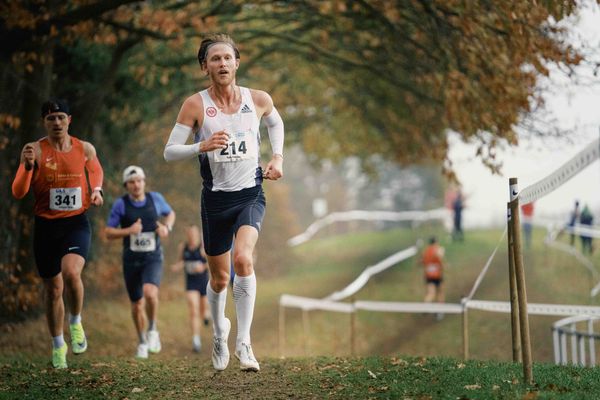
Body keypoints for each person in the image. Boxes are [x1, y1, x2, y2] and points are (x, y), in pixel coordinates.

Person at [163, 33, 284, 372]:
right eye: (214, 59)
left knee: (243, 260)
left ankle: (244, 343)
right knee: (218, 279)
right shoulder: (195, 105)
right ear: (205, 67)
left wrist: (278, 157)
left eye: (227, 58)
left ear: (237, 63)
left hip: (251, 193)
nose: (222, 64)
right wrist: (199, 147)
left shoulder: (257, 99)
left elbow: (275, 122)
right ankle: (220, 334)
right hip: (215, 201)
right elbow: (169, 152)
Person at [11, 98, 104, 369]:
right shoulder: (34, 151)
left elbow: (96, 170)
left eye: (61, 117)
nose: (56, 123)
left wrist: (96, 191)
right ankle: (57, 345)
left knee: (71, 273)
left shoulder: (84, 148)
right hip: (46, 227)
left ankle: (75, 323)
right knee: (52, 290)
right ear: (44, 122)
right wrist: (27, 169)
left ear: (69, 120)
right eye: (51, 118)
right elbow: (18, 192)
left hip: (76, 223)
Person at [104, 166, 176, 359]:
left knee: (150, 293)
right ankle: (142, 341)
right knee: (136, 304)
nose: (136, 185)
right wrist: (128, 231)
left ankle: (153, 330)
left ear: (144, 182)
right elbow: (108, 232)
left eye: (139, 181)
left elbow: (170, 214)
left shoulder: (155, 199)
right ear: (126, 185)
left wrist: (166, 228)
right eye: (132, 182)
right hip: (131, 259)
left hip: (153, 257)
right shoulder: (121, 204)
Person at [170, 224, 211, 352]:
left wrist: (203, 267)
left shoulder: (203, 248)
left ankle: (206, 316)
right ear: (187, 234)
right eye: (190, 233)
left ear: (198, 234)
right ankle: (196, 339)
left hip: (203, 282)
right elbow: (182, 260)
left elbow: (212, 264)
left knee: (203, 311)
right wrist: (177, 266)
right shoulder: (183, 247)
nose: (192, 236)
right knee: (193, 309)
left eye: (194, 233)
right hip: (191, 283)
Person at [421, 236, 447, 321]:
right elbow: (440, 259)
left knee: (430, 292)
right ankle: (439, 312)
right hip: (438, 275)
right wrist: (443, 266)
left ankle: (426, 305)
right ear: (436, 242)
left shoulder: (426, 251)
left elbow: (422, 261)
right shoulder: (438, 249)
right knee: (440, 293)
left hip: (429, 275)